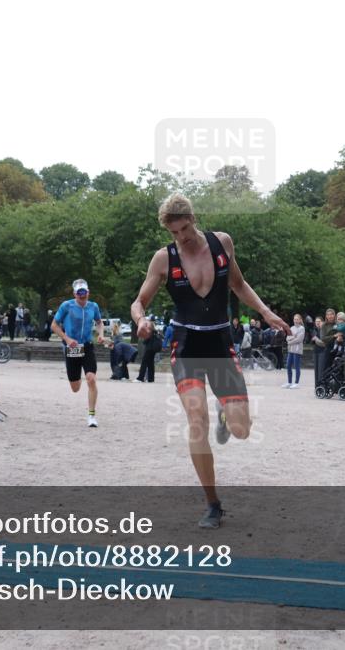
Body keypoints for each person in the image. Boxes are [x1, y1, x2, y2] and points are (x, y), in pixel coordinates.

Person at [130, 193, 290, 529]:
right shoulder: (164, 258)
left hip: (219, 342)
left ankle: (225, 412)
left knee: (241, 430)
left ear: (193, 219)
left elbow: (239, 284)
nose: (181, 237)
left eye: (184, 229)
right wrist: (141, 320)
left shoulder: (222, 243)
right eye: (174, 232)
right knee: (196, 420)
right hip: (186, 345)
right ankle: (213, 504)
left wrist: (265, 312)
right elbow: (139, 302)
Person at [51, 279, 105, 427]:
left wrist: (100, 334)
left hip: (87, 346)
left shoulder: (93, 306)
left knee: (91, 379)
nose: (82, 295)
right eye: (79, 293)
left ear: (88, 292)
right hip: (72, 347)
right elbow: (54, 325)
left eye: (84, 292)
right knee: (75, 388)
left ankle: (92, 416)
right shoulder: (66, 306)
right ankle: (78, 377)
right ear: (74, 294)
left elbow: (99, 322)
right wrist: (67, 339)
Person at [283, 314, 305, 388]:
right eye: (295, 319)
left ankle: (296, 383)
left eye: (297, 319)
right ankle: (289, 382)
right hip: (291, 350)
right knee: (288, 366)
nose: (296, 320)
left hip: (297, 350)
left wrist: (290, 341)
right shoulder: (291, 328)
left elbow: (299, 339)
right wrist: (293, 337)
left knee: (296, 366)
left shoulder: (302, 328)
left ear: (300, 320)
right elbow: (287, 338)